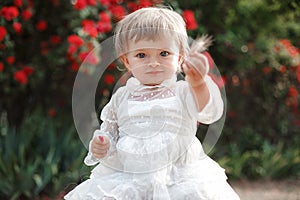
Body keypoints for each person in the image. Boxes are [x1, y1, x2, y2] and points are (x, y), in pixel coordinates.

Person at [65, 7, 240, 200]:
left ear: (180, 57)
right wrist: (103, 144)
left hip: (178, 177)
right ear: (127, 61)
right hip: (131, 177)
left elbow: (206, 109)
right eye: (141, 55)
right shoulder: (122, 97)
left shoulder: (182, 91)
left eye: (164, 53)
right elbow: (111, 132)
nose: (154, 62)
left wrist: (198, 83)